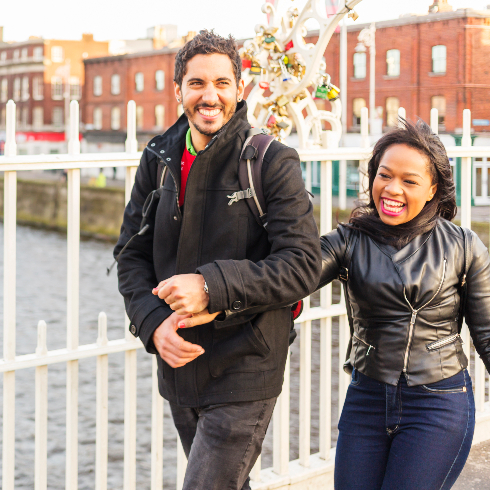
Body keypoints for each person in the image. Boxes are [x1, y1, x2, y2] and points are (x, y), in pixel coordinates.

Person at [114, 30, 321, 490]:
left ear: (239, 89)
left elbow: (302, 263)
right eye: (197, 83)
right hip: (181, 364)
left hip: (246, 363)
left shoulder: (270, 161)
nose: (210, 96)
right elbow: (130, 254)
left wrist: (210, 287)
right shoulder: (159, 158)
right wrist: (152, 324)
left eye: (222, 83)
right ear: (178, 90)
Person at [318, 119, 490, 490]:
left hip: (438, 404)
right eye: (384, 175)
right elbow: (289, 275)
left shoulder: (463, 245)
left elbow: (488, 334)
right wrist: (213, 290)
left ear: (433, 189)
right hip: (365, 398)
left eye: (409, 181)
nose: (392, 189)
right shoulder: (348, 241)